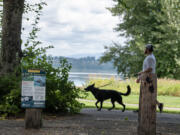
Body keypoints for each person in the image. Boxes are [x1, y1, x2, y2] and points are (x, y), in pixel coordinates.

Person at [136, 44, 163, 113]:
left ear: (147, 49)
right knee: (145, 94)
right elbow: (146, 68)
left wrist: (141, 73)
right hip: (146, 77)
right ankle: (158, 104)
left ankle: (158, 104)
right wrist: (140, 77)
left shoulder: (150, 58)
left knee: (148, 94)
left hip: (149, 78)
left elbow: (150, 69)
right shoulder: (149, 57)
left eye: (145, 49)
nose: (144, 50)